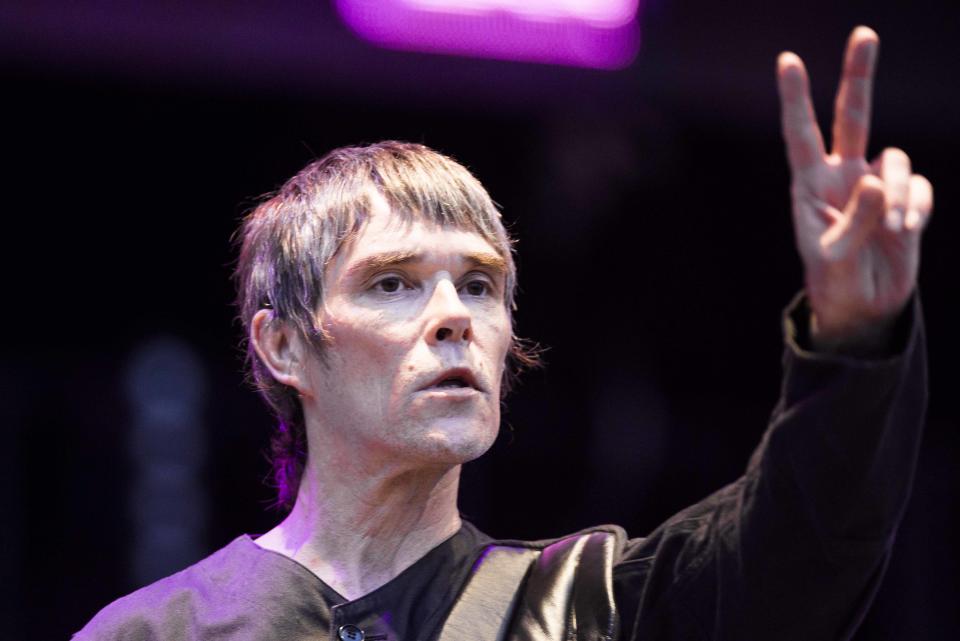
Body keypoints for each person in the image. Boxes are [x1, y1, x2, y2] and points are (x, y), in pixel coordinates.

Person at [75, 26, 933, 640]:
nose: (455, 313)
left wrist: (853, 337)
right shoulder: (157, 630)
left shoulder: (596, 606)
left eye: (480, 284)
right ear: (285, 346)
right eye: (393, 282)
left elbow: (810, 541)